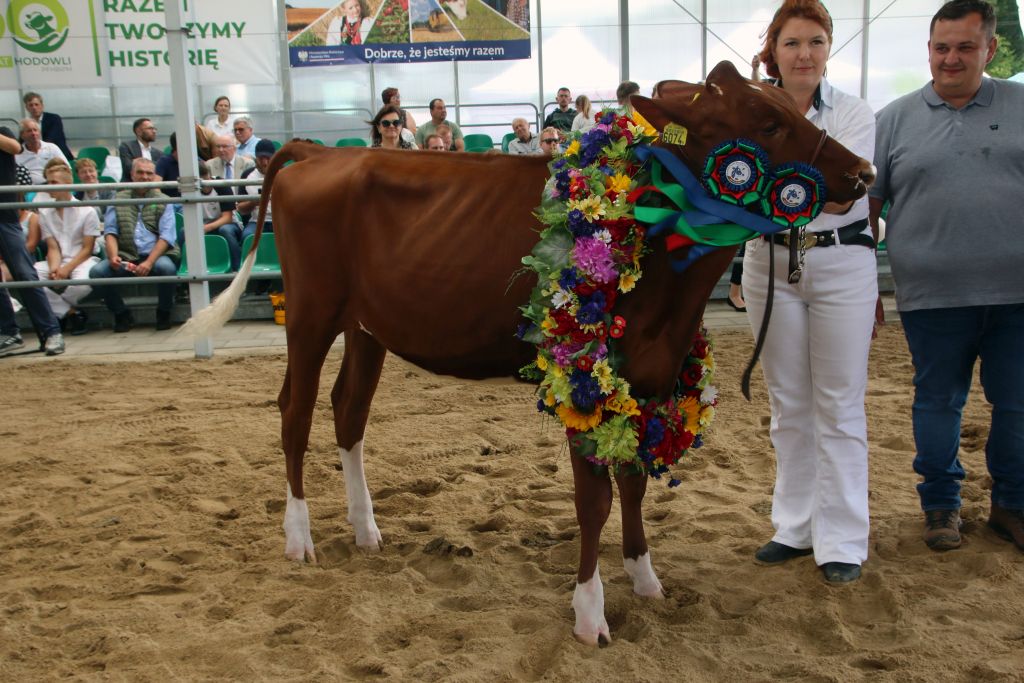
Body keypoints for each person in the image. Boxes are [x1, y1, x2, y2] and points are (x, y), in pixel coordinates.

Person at [870, 0, 1024, 553]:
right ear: (929, 50)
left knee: (1017, 403)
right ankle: (940, 507)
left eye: (964, 47)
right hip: (931, 295)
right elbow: (869, 205)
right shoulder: (892, 118)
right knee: (938, 401)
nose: (951, 59)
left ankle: (1012, 506)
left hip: (1018, 295)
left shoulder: (1022, 104)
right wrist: (867, 285)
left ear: (991, 48)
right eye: (941, 48)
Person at [743, 0, 877, 584]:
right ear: (773, 49)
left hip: (841, 261)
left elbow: (843, 192)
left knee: (839, 402)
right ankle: (794, 526)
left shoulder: (852, 112)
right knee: (789, 403)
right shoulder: (749, 113)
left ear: (829, 49)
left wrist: (765, 184)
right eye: (793, 42)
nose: (805, 53)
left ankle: (843, 538)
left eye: (816, 41)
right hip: (767, 262)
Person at [88, 158, 179, 332]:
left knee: (167, 269)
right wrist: (113, 255)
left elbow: (167, 237)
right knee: (97, 273)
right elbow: (110, 231)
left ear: (154, 177)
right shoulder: (117, 198)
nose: (145, 177)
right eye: (140, 172)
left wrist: (149, 262)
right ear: (132, 175)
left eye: (149, 173)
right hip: (127, 254)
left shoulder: (164, 200)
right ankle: (121, 313)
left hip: (158, 255)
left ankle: (164, 312)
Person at [0, 125, 64, 356]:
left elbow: (15, 147)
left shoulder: (3, 132)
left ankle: (51, 332)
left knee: (25, 274)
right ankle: (9, 333)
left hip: (6, 217)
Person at [33, 160, 100, 336]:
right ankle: (70, 313)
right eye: (48, 182)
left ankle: (59, 312)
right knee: (30, 275)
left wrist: (66, 269)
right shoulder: (45, 212)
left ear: (68, 184)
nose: (49, 186)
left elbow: (87, 248)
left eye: (54, 182)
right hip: (58, 259)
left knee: (83, 284)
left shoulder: (87, 210)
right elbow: (52, 246)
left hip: (83, 259)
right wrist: (56, 268)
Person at [197, 159, 244, 272]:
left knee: (225, 230)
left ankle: (237, 268)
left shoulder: (221, 185)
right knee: (185, 232)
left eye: (206, 178)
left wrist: (207, 227)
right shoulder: (191, 190)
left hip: (229, 224)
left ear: (209, 174)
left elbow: (227, 218)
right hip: (204, 224)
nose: (204, 184)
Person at [238, 139, 276, 244]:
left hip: (279, 221)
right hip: (257, 221)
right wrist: (253, 202)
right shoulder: (247, 175)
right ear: (256, 157)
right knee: (247, 237)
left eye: (268, 158)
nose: (265, 162)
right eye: (261, 158)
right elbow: (240, 208)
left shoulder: (284, 174)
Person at [15, 118, 68, 186]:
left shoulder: (52, 148)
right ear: (22, 135)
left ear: (39, 132)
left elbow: (66, 168)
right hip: (29, 190)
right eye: (29, 131)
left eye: (35, 130)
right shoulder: (17, 153)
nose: (33, 133)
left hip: (53, 187)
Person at [23, 92, 73, 161]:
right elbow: (22, 140)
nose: (34, 107)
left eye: (36, 104)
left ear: (42, 106)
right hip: (36, 156)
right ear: (27, 108)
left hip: (57, 156)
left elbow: (51, 139)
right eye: (31, 105)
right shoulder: (26, 123)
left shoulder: (54, 119)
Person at [117, 117, 162, 182]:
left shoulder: (158, 153)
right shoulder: (126, 147)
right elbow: (128, 168)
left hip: (151, 187)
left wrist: (136, 161)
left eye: (154, 129)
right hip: (130, 187)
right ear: (138, 131)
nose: (154, 131)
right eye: (150, 128)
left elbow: (161, 170)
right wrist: (153, 165)